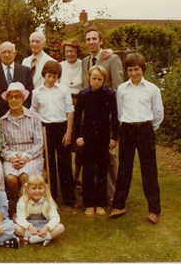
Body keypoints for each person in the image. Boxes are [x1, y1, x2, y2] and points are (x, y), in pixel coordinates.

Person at [109, 53, 164, 225]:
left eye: (136, 69)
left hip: (145, 129)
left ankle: (154, 210)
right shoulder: (123, 89)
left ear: (143, 69)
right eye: (130, 70)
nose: (133, 73)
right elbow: (119, 111)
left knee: (149, 170)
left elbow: (158, 112)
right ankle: (119, 205)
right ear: (127, 71)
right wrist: (126, 126)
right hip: (127, 129)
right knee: (124, 168)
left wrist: (148, 127)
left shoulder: (152, 89)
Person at [81, 27, 123, 204]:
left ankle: (112, 193)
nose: (91, 42)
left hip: (107, 116)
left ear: (101, 41)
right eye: (88, 39)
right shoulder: (85, 61)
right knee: (91, 158)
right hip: (91, 120)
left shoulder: (111, 58)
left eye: (94, 39)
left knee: (110, 156)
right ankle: (93, 193)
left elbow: (119, 88)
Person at [30, 61, 78, 209]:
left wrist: (69, 132)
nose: (51, 79)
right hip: (45, 129)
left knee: (65, 164)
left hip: (62, 127)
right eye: (49, 76)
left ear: (58, 76)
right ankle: (51, 198)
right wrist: (37, 132)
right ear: (44, 75)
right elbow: (33, 111)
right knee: (49, 165)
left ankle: (69, 198)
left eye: (55, 76)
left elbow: (70, 110)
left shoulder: (63, 89)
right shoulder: (37, 92)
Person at [74, 65, 119, 217]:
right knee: (88, 170)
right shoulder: (83, 94)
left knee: (101, 171)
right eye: (94, 78)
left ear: (104, 80)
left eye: (100, 79)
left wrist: (114, 137)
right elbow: (77, 117)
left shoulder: (109, 94)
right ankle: (89, 203)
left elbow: (115, 116)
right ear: (89, 78)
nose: (96, 81)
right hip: (87, 138)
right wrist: (78, 136)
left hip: (103, 138)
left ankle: (100, 203)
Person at [0, 82, 44, 209]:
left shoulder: (34, 117)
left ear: (23, 98)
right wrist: (12, 157)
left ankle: (21, 207)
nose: (14, 100)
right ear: (7, 99)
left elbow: (39, 143)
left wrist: (26, 157)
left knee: (25, 177)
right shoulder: (2, 121)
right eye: (11, 97)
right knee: (11, 179)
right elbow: (3, 146)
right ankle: (22, 203)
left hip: (31, 155)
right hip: (12, 156)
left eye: (17, 96)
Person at [59, 38, 84, 189]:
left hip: (80, 105)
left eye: (73, 51)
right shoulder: (60, 66)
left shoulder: (84, 64)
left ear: (78, 52)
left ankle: (78, 175)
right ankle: (67, 178)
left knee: (80, 143)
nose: (70, 54)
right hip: (65, 106)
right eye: (67, 51)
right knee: (66, 141)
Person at [14, 174, 65, 247]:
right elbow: (20, 218)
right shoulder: (22, 201)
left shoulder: (48, 201)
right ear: (28, 189)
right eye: (34, 188)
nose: (37, 191)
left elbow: (55, 218)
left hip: (44, 225)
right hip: (29, 226)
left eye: (40, 188)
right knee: (14, 227)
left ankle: (31, 240)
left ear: (44, 189)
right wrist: (29, 226)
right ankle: (45, 238)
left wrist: (47, 227)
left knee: (60, 227)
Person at [0, 41, 33, 117]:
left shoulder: (25, 71)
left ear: (14, 53)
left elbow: (30, 95)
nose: (7, 54)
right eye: (4, 52)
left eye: (9, 52)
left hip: (21, 115)